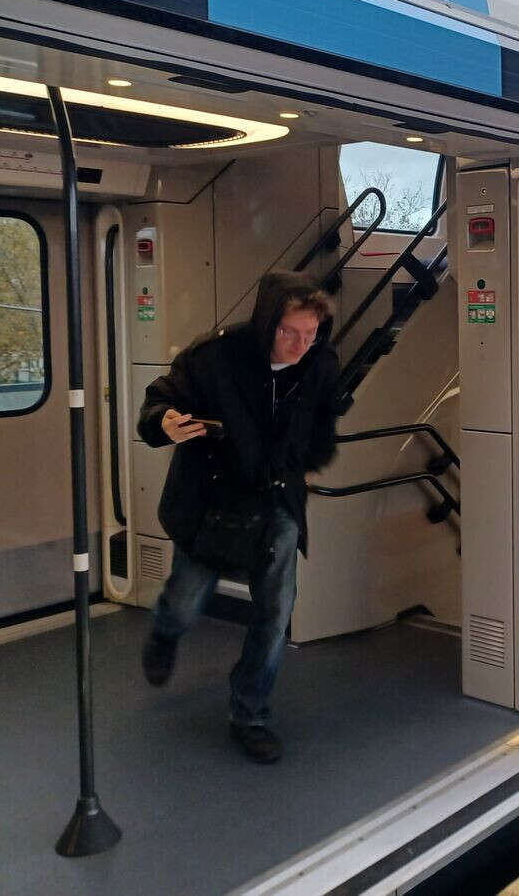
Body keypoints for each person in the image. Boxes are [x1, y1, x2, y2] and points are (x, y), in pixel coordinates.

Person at [137, 271, 338, 764]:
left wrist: (305, 462)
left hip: (278, 503)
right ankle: (165, 633)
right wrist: (163, 422)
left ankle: (250, 714)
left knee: (274, 614)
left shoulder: (320, 365)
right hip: (213, 503)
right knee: (185, 603)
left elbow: (322, 428)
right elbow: (158, 400)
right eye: (290, 332)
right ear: (269, 322)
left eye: (310, 335)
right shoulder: (213, 359)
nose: (300, 344)